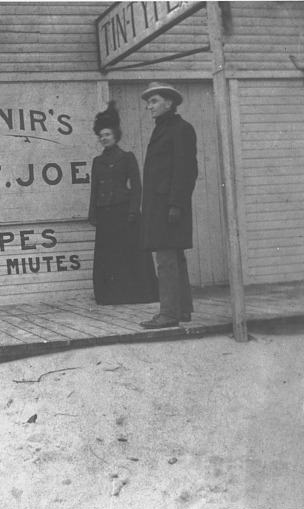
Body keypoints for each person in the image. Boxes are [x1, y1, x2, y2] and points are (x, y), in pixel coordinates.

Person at [138, 82, 198, 329]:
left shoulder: (181, 129)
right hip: (161, 206)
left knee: (167, 260)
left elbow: (186, 170)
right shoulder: (163, 129)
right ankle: (181, 310)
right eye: (148, 103)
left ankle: (169, 314)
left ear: (169, 103)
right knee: (173, 258)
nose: (149, 107)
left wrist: (176, 204)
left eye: (154, 101)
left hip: (169, 207)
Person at [88, 102, 159, 306]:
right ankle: (111, 295)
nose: (104, 138)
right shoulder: (97, 162)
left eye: (107, 134)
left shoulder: (127, 158)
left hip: (123, 212)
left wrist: (133, 211)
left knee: (129, 254)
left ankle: (137, 294)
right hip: (105, 214)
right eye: (101, 136)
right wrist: (92, 212)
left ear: (116, 135)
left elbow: (137, 187)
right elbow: (95, 189)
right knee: (109, 255)